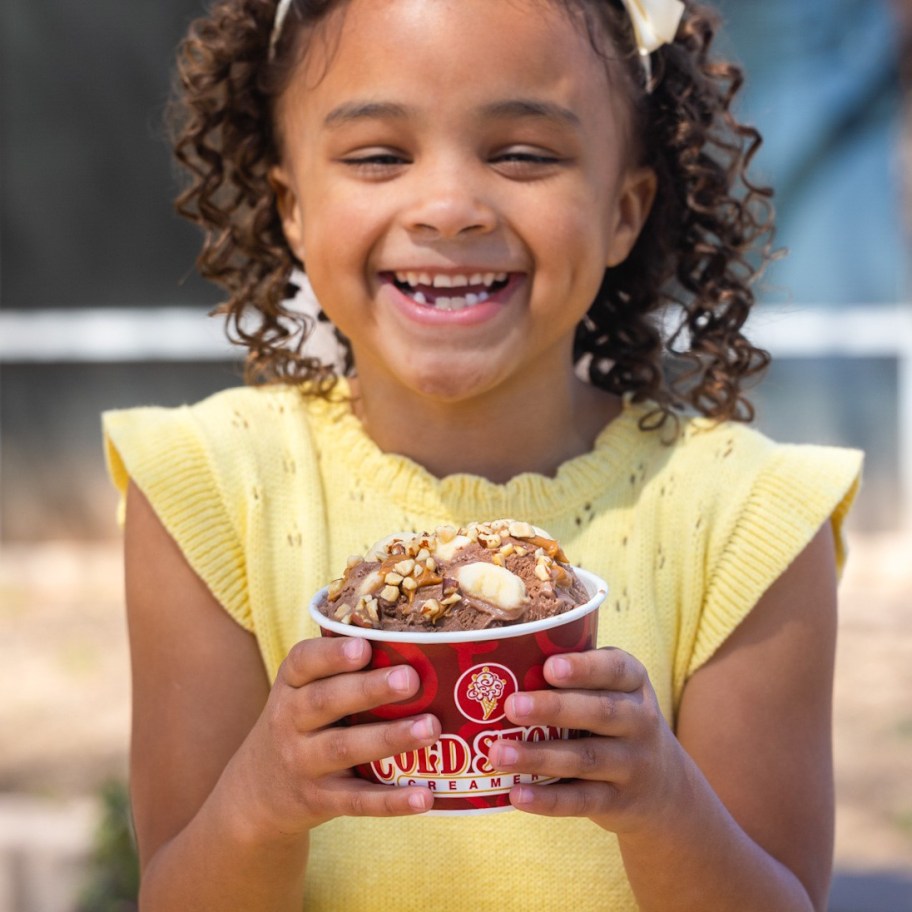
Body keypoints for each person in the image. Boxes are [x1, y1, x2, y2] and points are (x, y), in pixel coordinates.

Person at [102, 1, 863, 909]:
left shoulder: (747, 519)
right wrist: (263, 800)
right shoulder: (207, 493)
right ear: (292, 208)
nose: (450, 209)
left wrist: (663, 801)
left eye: (524, 155)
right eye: (380, 155)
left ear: (624, 212)